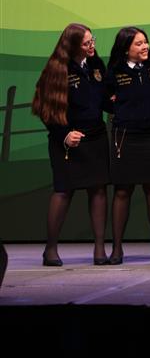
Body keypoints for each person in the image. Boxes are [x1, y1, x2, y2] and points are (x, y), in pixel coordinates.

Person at [32, 24, 109, 266]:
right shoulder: (57, 70)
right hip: (67, 141)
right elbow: (45, 109)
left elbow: (104, 99)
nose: (92, 46)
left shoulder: (96, 65)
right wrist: (64, 134)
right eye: (86, 43)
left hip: (96, 138)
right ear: (73, 46)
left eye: (92, 40)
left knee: (98, 190)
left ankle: (100, 249)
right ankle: (50, 249)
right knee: (63, 191)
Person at [105, 27, 150, 264]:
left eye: (146, 42)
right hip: (125, 136)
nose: (145, 47)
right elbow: (105, 98)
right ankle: (117, 249)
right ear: (126, 49)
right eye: (139, 44)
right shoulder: (115, 70)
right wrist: (121, 107)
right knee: (122, 191)